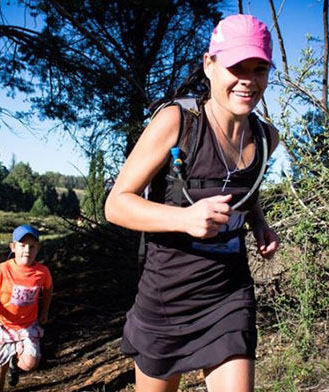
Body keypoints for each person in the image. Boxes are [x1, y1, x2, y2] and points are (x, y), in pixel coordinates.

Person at [104, 14, 280, 392]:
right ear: (209, 65)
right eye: (236, 67)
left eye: (259, 68)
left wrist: (259, 223)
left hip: (228, 292)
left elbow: (245, 193)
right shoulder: (177, 123)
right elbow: (116, 204)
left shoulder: (266, 138)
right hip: (166, 297)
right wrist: (185, 218)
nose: (248, 80)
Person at [0, 224, 53, 392]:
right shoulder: (3, 269)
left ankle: (14, 364)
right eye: (22, 245)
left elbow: (48, 289)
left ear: (38, 248)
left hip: (26, 325)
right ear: (13, 247)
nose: (27, 250)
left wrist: (45, 311)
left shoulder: (42, 272)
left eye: (32, 247)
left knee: (30, 363)